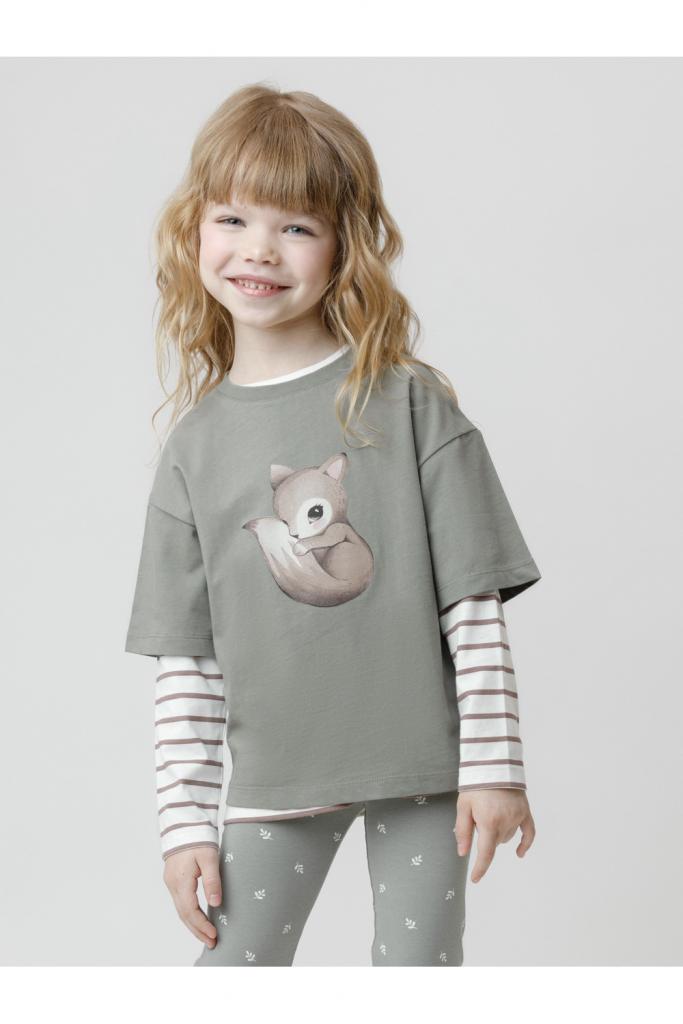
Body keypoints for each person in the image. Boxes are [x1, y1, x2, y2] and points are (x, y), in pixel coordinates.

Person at [124, 83, 542, 967]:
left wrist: (494, 766)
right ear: (193, 230)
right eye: (232, 218)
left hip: (423, 772)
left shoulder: (411, 406)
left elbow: (472, 607)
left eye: (296, 226)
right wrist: (183, 826)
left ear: (343, 246)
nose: (258, 249)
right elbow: (186, 663)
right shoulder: (193, 450)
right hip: (275, 777)